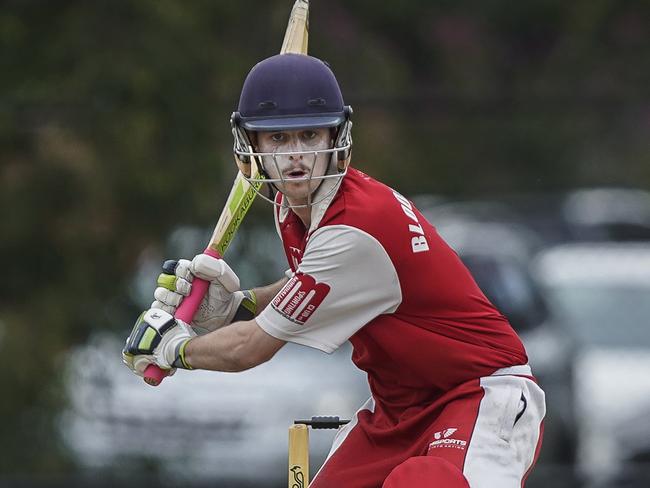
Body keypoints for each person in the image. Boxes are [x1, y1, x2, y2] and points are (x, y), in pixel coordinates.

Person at [123, 53, 545, 487]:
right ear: (252, 146)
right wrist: (238, 306)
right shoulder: (295, 208)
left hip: (475, 396)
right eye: (278, 139)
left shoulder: (354, 228)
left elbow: (252, 349)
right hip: (397, 412)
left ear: (337, 135)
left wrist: (176, 349)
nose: (297, 156)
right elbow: (310, 287)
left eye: (309, 135)